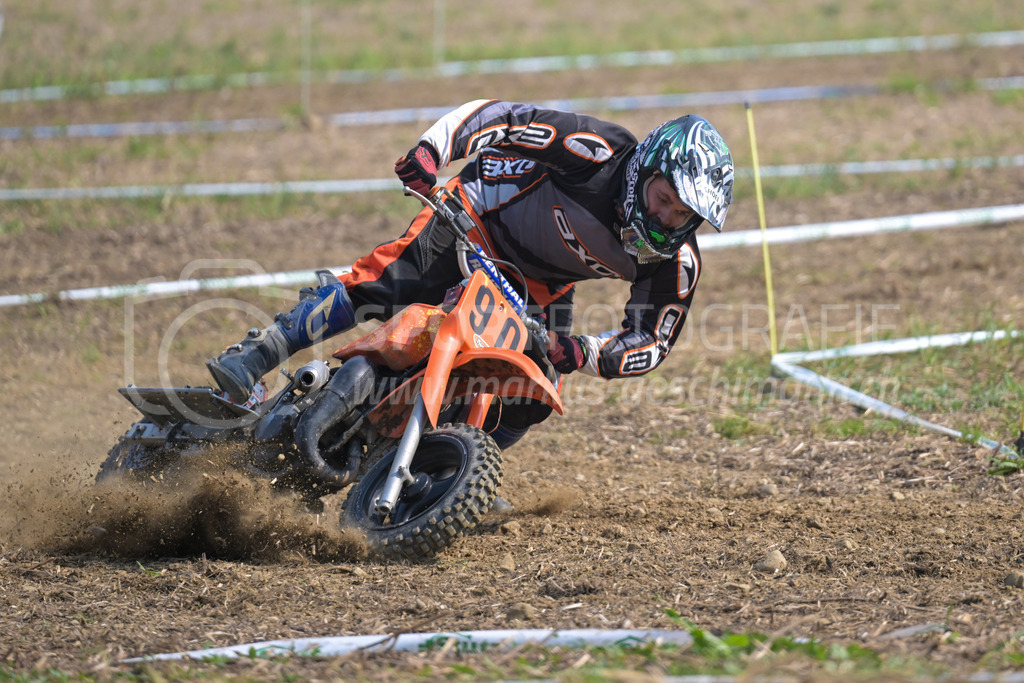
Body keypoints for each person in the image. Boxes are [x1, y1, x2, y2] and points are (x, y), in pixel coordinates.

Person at [206, 99, 734, 448]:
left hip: (537, 285)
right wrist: (432, 152)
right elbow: (499, 117)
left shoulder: (675, 259)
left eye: (683, 215)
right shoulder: (595, 151)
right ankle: (263, 350)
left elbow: (650, 341)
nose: (667, 219)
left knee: (534, 392)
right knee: (390, 281)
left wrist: (583, 353)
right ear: (649, 167)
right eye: (665, 200)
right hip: (474, 216)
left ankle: (456, 465)